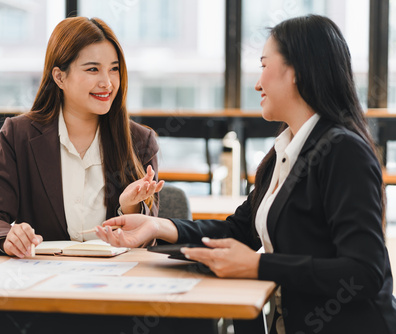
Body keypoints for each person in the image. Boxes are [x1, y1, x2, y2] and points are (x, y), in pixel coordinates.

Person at [96, 15, 396, 334]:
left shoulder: (342, 151)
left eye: (265, 65)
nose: (257, 83)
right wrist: (156, 225)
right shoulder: (284, 151)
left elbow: (365, 271)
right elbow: (239, 231)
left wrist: (259, 265)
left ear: (296, 72)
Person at [0, 17, 164, 258]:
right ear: (59, 77)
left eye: (114, 69)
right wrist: (10, 237)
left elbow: (152, 237)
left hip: (117, 281)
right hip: (42, 280)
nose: (107, 82)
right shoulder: (19, 135)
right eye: (93, 69)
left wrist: (130, 207)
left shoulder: (140, 141)